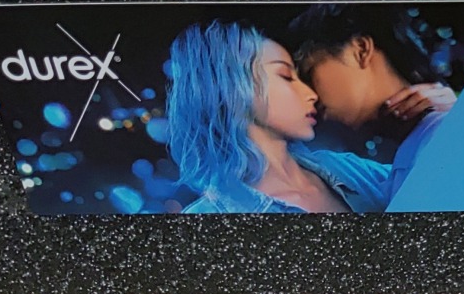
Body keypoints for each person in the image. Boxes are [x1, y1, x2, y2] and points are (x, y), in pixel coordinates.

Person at [164, 21, 401, 213]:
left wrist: (425, 114)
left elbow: (421, 183)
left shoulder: (344, 167)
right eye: (286, 76)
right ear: (232, 89)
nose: (310, 94)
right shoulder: (207, 216)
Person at [286, 3, 458, 160]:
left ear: (360, 50)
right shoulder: (360, 155)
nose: (304, 91)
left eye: (308, 73)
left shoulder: (444, 127)